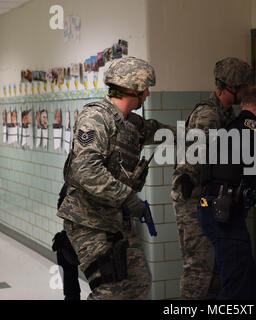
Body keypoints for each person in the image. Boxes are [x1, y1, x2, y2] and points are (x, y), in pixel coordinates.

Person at [56, 56, 175, 300]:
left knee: (139, 283)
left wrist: (195, 134)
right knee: (110, 292)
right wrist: (127, 197)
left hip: (114, 221)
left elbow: (157, 130)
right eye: (145, 89)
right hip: (87, 220)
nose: (148, 94)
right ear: (133, 89)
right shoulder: (96, 119)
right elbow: (85, 168)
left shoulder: (130, 122)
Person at [171, 57, 253, 299]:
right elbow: (200, 157)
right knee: (199, 267)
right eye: (243, 87)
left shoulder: (225, 114)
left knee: (217, 266)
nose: (245, 91)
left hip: (209, 198)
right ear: (231, 87)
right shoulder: (209, 114)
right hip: (193, 197)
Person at [198, 84, 256, 300]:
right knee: (238, 283)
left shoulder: (233, 125)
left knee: (246, 276)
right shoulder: (252, 127)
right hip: (223, 211)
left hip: (214, 207)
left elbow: (239, 167)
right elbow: (253, 167)